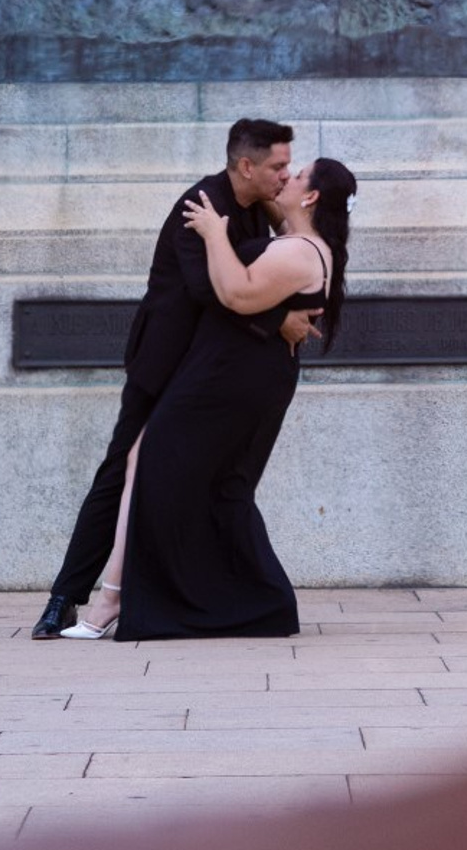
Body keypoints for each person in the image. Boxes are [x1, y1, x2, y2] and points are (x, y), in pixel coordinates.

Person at [30, 119, 315, 638]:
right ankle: (65, 597)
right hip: (165, 365)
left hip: (207, 374)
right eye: (277, 166)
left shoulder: (257, 205)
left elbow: (293, 249)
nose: (285, 174)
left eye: (289, 167)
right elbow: (212, 291)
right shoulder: (200, 207)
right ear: (245, 165)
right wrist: (281, 321)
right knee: (119, 474)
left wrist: (285, 207)